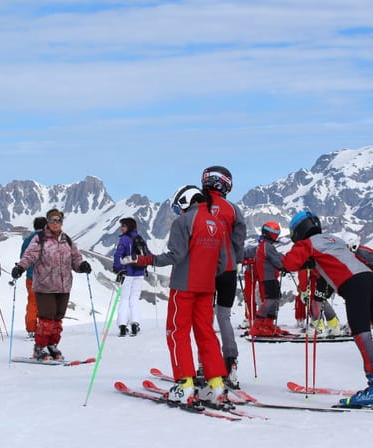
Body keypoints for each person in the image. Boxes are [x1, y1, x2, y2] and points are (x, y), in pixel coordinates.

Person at [280, 211, 373, 407]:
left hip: (353, 286)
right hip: (369, 279)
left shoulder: (307, 244)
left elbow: (289, 263)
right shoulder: (333, 239)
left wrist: (282, 261)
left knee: (362, 336)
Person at [123, 185, 230, 409]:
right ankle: (216, 384)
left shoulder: (184, 222)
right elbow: (222, 263)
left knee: (177, 332)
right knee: (206, 333)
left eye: (178, 206)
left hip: (184, 287)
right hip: (207, 287)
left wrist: (143, 260)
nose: (178, 211)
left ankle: (185, 383)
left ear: (184, 201)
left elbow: (175, 255)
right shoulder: (217, 224)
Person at [11, 209, 91, 360]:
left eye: (58, 220)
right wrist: (21, 267)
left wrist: (81, 266)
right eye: (52, 220)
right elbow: (30, 255)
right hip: (44, 285)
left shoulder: (66, 239)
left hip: (64, 285)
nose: (56, 223)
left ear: (62, 222)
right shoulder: (40, 239)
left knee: (57, 319)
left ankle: (52, 345)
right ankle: (39, 348)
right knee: (46, 319)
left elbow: (75, 258)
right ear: (48, 222)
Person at [200, 166, 247, 390]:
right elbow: (239, 242)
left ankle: (205, 365)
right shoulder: (232, 209)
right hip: (228, 269)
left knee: (204, 318)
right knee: (224, 317)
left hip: (204, 270)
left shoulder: (197, 205)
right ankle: (231, 364)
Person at [248, 221, 290, 338]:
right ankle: (258, 325)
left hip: (270, 277)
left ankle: (268, 324)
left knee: (275, 299)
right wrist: (284, 266)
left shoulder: (266, 245)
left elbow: (276, 257)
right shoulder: (267, 246)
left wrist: (283, 264)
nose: (276, 235)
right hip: (269, 277)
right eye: (275, 233)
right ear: (269, 234)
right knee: (271, 300)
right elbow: (276, 259)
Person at [113, 217, 148, 337]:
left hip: (127, 273)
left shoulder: (124, 239)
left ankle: (122, 326)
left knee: (124, 299)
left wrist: (117, 268)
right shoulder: (140, 238)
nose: (121, 227)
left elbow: (118, 255)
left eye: (123, 225)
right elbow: (147, 254)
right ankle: (135, 324)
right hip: (139, 273)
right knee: (134, 299)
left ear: (129, 226)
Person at [18, 217, 47, 338]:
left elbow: (22, 257)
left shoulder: (27, 240)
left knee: (32, 303)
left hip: (30, 276)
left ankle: (31, 329)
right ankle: (44, 328)